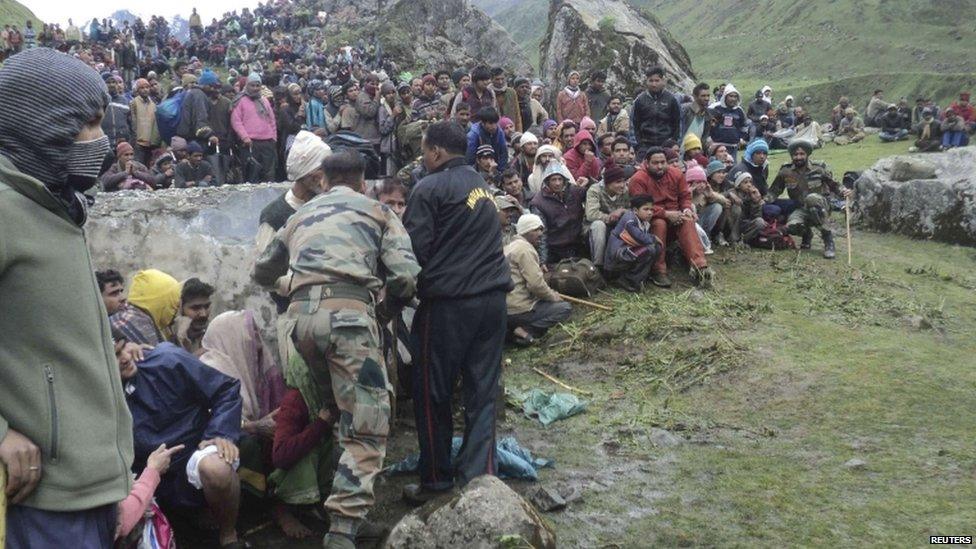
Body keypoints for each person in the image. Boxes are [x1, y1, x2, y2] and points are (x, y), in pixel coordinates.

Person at [0, 49, 137, 549]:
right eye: (89, 125)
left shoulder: (57, 204)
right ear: (40, 125)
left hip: (91, 486)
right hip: (43, 497)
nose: (101, 143)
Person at [253, 150, 420, 548]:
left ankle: (346, 510)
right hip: (348, 322)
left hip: (300, 325)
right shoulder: (377, 212)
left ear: (324, 181)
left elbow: (262, 270)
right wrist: (385, 309)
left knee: (340, 416)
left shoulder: (299, 215)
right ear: (362, 183)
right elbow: (406, 277)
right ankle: (343, 531)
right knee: (366, 426)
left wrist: (300, 282)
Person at [400, 121, 511, 505]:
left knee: (433, 392)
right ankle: (480, 477)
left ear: (434, 152)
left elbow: (413, 251)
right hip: (494, 300)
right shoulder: (481, 184)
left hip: (450, 304)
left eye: (423, 151)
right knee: (482, 389)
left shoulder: (428, 187)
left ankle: (436, 479)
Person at [121, 341, 245, 548]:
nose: (125, 357)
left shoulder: (166, 360)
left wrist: (220, 432)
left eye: (123, 348)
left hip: (194, 452)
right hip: (148, 477)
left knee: (216, 469)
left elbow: (225, 389)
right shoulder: (99, 396)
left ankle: (229, 535)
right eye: (115, 355)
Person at [628, 147, 713, 288]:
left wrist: (686, 209)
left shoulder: (676, 174)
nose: (660, 166)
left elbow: (685, 196)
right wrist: (665, 214)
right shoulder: (638, 179)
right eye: (655, 163)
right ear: (646, 163)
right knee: (659, 223)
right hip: (650, 219)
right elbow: (639, 205)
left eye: (663, 162)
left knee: (687, 221)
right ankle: (658, 270)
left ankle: (700, 267)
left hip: (676, 215)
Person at [766, 140, 850, 258]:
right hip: (801, 208)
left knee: (812, 200)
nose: (798, 157)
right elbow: (774, 191)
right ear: (792, 156)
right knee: (792, 226)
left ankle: (828, 240)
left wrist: (843, 190)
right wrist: (763, 200)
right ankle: (806, 234)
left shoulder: (819, 168)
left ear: (807, 155)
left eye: (802, 154)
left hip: (821, 206)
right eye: (795, 155)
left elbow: (834, 184)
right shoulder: (786, 171)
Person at [504, 214, 572, 344]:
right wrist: (553, 296)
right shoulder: (525, 249)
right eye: (536, 230)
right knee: (564, 308)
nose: (540, 234)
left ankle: (511, 330)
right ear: (525, 231)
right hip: (519, 308)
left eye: (541, 229)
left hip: (505, 308)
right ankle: (525, 331)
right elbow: (536, 285)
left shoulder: (509, 246)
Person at [530, 162, 586, 265]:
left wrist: (589, 182)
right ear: (547, 181)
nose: (557, 183)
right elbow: (542, 234)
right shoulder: (538, 202)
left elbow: (593, 194)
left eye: (560, 179)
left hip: (579, 244)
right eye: (553, 180)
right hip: (556, 250)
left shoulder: (574, 191)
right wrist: (543, 261)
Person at [604, 194, 663, 292]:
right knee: (651, 249)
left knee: (656, 248)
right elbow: (641, 237)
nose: (650, 213)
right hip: (618, 254)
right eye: (646, 209)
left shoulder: (643, 220)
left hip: (628, 250)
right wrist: (654, 237)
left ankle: (635, 279)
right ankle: (628, 280)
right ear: (635, 210)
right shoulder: (630, 220)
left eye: (651, 210)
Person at [111, 269, 182, 346]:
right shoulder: (137, 323)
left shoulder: (135, 315)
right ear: (160, 302)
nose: (175, 311)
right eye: (173, 304)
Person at [232, 72, 278, 182]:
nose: (255, 88)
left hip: (267, 142)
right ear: (247, 85)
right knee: (252, 175)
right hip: (250, 143)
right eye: (252, 85)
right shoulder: (240, 101)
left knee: (268, 175)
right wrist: (245, 137)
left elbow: (272, 120)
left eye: (258, 85)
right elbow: (236, 121)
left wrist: (274, 137)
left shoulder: (264, 100)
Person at [585, 164, 630, 268]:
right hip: (593, 229)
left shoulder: (625, 191)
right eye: (618, 182)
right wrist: (610, 217)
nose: (622, 185)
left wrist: (622, 210)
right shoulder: (595, 190)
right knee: (598, 225)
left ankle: (623, 264)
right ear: (607, 183)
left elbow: (632, 210)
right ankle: (598, 266)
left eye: (623, 181)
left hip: (616, 225)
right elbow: (591, 215)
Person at [632, 66, 681, 158]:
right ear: (646, 81)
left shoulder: (671, 99)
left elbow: (678, 123)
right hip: (645, 145)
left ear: (663, 81)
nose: (654, 84)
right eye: (651, 81)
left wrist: (674, 142)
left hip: (666, 145)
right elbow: (634, 124)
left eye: (657, 80)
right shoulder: (640, 100)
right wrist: (639, 144)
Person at [172, 277, 215, 355]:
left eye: (206, 306)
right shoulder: (167, 335)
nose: (203, 314)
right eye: (195, 308)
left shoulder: (213, 334)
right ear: (180, 307)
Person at [709, 83, 748, 161]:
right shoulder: (714, 108)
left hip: (733, 146)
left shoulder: (739, 110)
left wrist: (741, 138)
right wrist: (709, 139)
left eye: (735, 96)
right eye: (731, 96)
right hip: (717, 146)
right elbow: (707, 125)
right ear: (725, 96)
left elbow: (744, 126)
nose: (733, 99)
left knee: (731, 168)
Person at [465, 106, 508, 172]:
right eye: (490, 123)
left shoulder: (499, 132)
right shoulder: (473, 135)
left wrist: (501, 172)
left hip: (494, 165)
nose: (494, 126)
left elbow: (503, 154)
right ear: (482, 123)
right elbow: (470, 159)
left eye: (495, 123)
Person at [129, 78, 160, 165]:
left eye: (147, 87)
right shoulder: (134, 102)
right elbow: (133, 121)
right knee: (138, 165)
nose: (145, 90)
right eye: (142, 88)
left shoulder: (153, 104)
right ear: (138, 90)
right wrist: (134, 138)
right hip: (139, 141)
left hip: (150, 141)